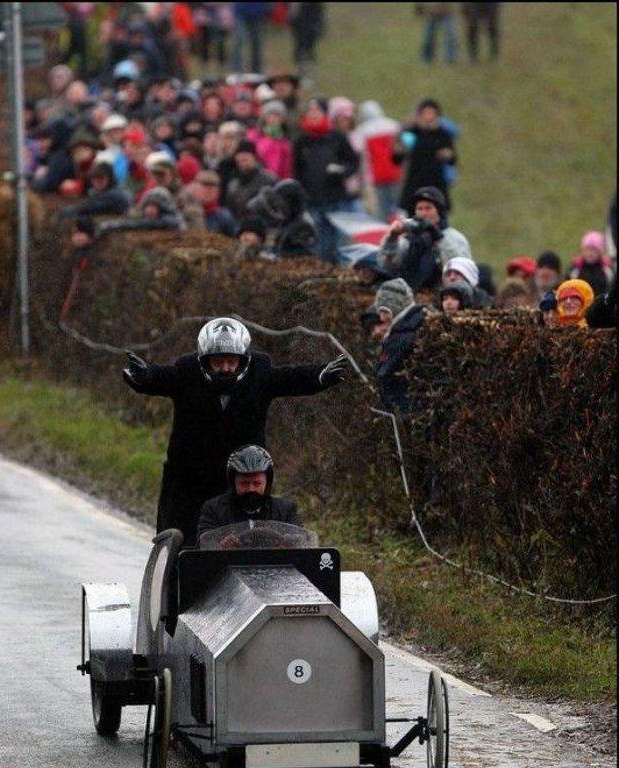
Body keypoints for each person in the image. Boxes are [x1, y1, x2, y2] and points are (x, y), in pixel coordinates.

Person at [122, 317, 348, 542]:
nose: (225, 369)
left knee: (246, 543)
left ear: (244, 360)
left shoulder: (260, 370)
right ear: (204, 360)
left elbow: (290, 378)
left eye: (232, 362)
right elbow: (161, 378)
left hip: (240, 479)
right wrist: (143, 376)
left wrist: (320, 376)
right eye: (218, 362)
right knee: (178, 542)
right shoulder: (187, 370)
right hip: (187, 480)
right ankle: (171, 577)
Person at [292, 97, 361, 263]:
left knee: (339, 245)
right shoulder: (301, 141)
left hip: (336, 199)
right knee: (319, 245)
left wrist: (342, 171)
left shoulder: (337, 137)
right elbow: (297, 171)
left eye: (317, 111)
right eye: (311, 111)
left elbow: (353, 161)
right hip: (312, 200)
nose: (314, 114)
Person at [196, 445, 299, 543]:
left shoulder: (286, 510)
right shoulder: (214, 510)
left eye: (257, 483)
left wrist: (285, 543)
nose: (251, 489)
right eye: (244, 483)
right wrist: (222, 544)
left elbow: (298, 543)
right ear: (233, 483)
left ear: (267, 483)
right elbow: (205, 542)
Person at [377, 186, 471, 293]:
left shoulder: (454, 238)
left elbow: (460, 270)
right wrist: (392, 238)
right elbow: (386, 264)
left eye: (428, 208)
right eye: (419, 209)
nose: (423, 213)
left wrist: (437, 238)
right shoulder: (408, 239)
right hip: (409, 294)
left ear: (439, 211)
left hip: (443, 296)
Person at [359, 278, 425, 416]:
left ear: (395, 308)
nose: (381, 318)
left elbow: (385, 375)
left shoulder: (401, 337)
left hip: (408, 411)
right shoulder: (418, 322)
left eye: (384, 311)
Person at [392, 99, 457, 215]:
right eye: (425, 113)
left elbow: (452, 159)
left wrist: (447, 155)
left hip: (436, 183)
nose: (428, 118)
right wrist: (399, 150)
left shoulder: (442, 134)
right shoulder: (411, 133)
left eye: (431, 114)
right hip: (415, 183)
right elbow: (397, 159)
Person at [352, 100, 401, 222]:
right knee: (397, 210)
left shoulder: (362, 131)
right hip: (396, 174)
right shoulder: (393, 125)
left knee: (379, 213)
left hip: (375, 178)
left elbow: (356, 151)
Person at [247, 179, 317, 257]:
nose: (277, 207)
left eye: (280, 204)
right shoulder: (284, 220)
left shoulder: (303, 226)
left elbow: (299, 257)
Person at [58, 159, 131, 219]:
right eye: (94, 178)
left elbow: (89, 207)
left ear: (109, 178)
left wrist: (66, 211)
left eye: (101, 178)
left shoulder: (114, 194)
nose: (96, 182)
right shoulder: (104, 191)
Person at [225, 139, 277, 222]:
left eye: (246, 158)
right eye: (240, 159)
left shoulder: (268, 179)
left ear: (254, 157)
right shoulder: (233, 184)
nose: (243, 161)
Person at [99, 186, 187, 233]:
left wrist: (113, 225)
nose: (149, 210)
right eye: (148, 206)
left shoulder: (170, 220)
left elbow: (138, 224)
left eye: (154, 206)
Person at [246, 100, 293, 180]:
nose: (273, 119)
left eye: (277, 115)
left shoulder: (285, 142)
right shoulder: (253, 137)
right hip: (257, 181)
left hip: (278, 182)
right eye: (270, 115)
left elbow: (287, 168)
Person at [187, 169, 238, 236]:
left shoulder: (224, 217)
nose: (208, 190)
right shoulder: (183, 212)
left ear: (218, 191)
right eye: (204, 185)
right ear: (195, 187)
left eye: (213, 186)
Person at [568, 231, 614, 298]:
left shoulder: (607, 269)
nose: (590, 253)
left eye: (594, 250)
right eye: (587, 249)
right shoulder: (576, 268)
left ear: (600, 252)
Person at [288, 1, 325, 81]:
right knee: (300, 51)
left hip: (309, 28)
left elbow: (317, 14)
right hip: (300, 28)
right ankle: (301, 74)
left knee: (307, 51)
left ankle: (308, 75)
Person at [231, 2, 269, 75]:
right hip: (241, 13)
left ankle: (256, 70)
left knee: (256, 43)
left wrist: (266, 9)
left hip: (258, 13)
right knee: (239, 40)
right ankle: (236, 69)